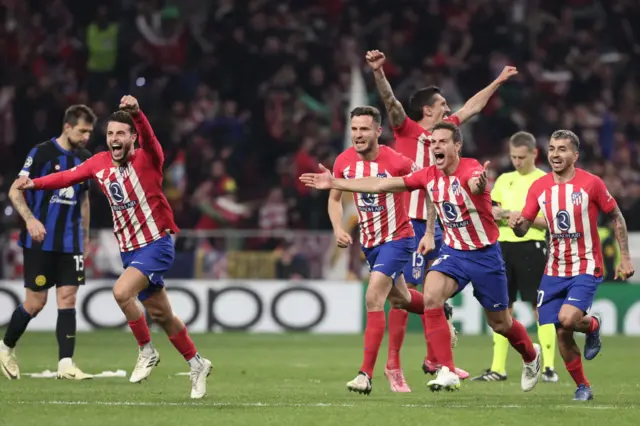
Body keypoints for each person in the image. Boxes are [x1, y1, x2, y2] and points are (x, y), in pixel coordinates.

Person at [301, 121, 542, 393]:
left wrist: (480, 184)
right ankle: (447, 369)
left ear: (457, 146)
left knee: (501, 323)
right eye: (433, 142)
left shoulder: (471, 169)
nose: (436, 146)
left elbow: (475, 184)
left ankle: (531, 356)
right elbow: (381, 185)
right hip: (454, 253)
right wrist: (335, 182)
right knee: (431, 295)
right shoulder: (428, 175)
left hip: (485, 256)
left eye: (442, 141)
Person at [14, 96, 212, 399]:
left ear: (132, 137)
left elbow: (150, 137)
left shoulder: (149, 158)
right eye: (109, 134)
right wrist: (34, 184)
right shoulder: (98, 162)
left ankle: (146, 350)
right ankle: (196, 363)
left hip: (156, 243)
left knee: (121, 292)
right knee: (163, 316)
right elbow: (66, 177)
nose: (114, 139)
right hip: (130, 249)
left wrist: (137, 113)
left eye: (121, 133)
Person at [366, 49, 518, 378]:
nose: (449, 110)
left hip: (443, 225)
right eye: (442, 106)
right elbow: (391, 102)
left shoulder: (447, 134)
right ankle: (395, 363)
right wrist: (379, 73)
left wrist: (499, 81)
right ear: (427, 110)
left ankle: (436, 360)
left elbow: (474, 106)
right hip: (412, 224)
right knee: (408, 294)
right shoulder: (405, 129)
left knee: (430, 293)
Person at [509, 130, 634, 401]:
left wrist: (625, 258)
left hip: (586, 265)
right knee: (562, 332)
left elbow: (616, 216)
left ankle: (591, 326)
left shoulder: (591, 184)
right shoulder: (539, 187)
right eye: (552, 148)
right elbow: (525, 227)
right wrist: (517, 225)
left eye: (562, 149)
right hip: (554, 269)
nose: (555, 154)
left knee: (567, 318)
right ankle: (583, 386)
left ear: (575, 156)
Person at [318, 106, 431, 395]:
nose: (358, 134)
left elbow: (428, 187)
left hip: (398, 238)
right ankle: (439, 309)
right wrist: (338, 228)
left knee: (373, 297)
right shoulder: (343, 160)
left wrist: (429, 230)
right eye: (354, 129)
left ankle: (365, 375)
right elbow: (334, 199)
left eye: (364, 129)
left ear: (378, 132)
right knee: (403, 298)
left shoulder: (397, 161)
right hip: (370, 243)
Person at [0, 105, 96, 381]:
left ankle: (66, 364)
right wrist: (30, 220)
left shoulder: (85, 158)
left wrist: (85, 237)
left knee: (68, 298)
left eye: (90, 131)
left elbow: (85, 201)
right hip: (40, 240)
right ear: (67, 127)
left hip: (71, 241)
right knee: (35, 302)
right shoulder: (41, 153)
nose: (87, 136)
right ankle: (6, 347)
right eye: (82, 130)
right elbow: (14, 190)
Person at [472, 131, 558, 383]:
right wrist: (500, 213)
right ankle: (498, 368)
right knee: (501, 308)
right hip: (502, 248)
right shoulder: (503, 180)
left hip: (532, 247)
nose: (517, 162)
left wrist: (519, 216)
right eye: (513, 157)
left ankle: (549, 367)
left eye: (522, 157)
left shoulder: (545, 180)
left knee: (540, 307)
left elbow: (551, 222)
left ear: (534, 154)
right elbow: (491, 210)